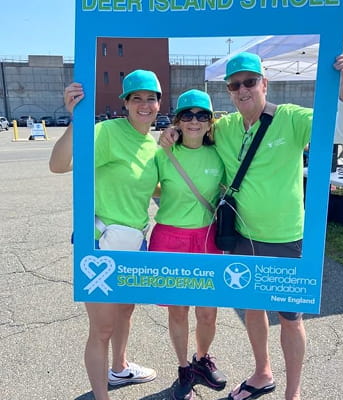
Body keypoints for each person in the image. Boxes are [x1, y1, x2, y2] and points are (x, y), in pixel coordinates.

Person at [160, 52, 343, 400]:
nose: (242, 89)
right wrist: (171, 133)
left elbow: (342, 130)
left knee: (290, 318)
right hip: (241, 235)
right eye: (235, 85)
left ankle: (293, 393)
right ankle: (261, 373)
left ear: (264, 84)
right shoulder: (223, 128)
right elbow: (194, 133)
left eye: (250, 82)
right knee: (253, 310)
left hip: (286, 237)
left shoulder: (291, 119)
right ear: (229, 91)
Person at [49, 69, 162, 400]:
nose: (144, 105)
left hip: (134, 242)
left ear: (159, 103)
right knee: (102, 328)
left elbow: (155, 191)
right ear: (125, 103)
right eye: (136, 98)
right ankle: (102, 396)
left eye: (150, 98)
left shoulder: (151, 145)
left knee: (125, 310)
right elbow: (58, 164)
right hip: (99, 244)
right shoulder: (108, 132)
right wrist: (75, 121)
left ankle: (121, 367)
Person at [149, 89, 227, 400]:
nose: (194, 121)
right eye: (187, 115)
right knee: (178, 310)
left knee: (208, 312)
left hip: (207, 237)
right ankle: (183, 368)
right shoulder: (162, 153)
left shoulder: (219, 154)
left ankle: (201, 360)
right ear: (177, 120)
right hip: (170, 238)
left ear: (211, 122)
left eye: (202, 115)